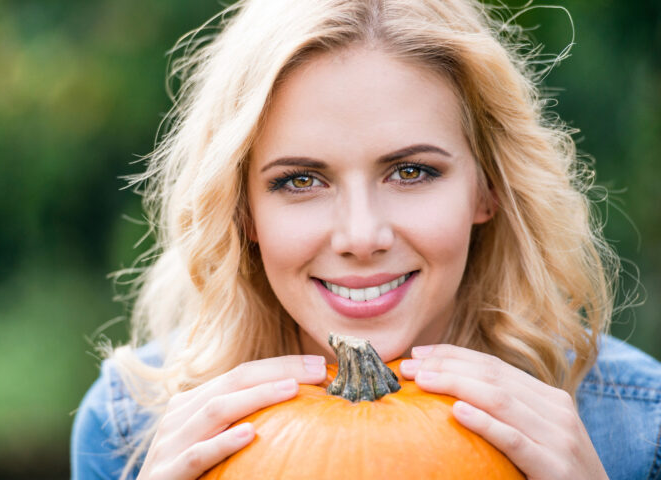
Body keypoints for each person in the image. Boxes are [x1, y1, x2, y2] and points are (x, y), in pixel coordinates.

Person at [71, 0, 661, 479]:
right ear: (242, 210)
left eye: (412, 172)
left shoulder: (636, 429)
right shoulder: (132, 427)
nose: (360, 236)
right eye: (300, 181)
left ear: (488, 188)